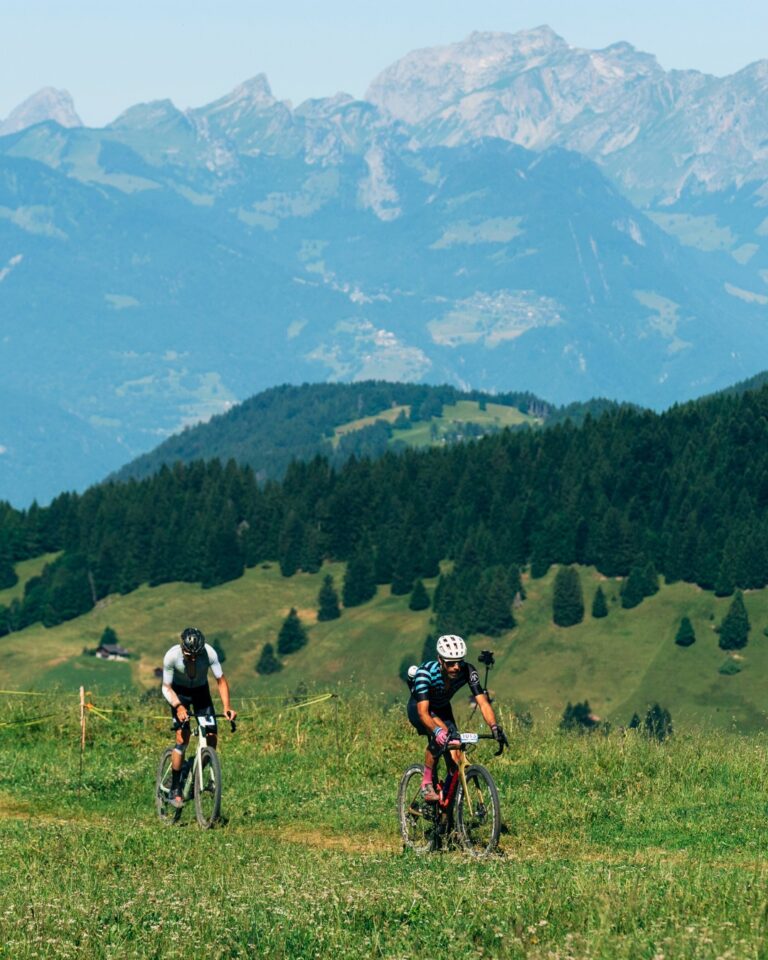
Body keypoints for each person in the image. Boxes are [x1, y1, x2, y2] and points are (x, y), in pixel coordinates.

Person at [407, 634, 506, 802]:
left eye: (459, 662)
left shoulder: (468, 670)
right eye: (450, 663)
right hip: (420, 708)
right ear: (440, 660)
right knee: (442, 737)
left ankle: (446, 806)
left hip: (442, 708)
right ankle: (426, 784)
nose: (456, 667)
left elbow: (482, 702)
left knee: (456, 757)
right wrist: (437, 731)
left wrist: (494, 727)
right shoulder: (425, 674)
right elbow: (424, 712)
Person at [161, 626, 236, 808]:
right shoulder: (172, 656)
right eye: (189, 655)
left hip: (201, 693)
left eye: (196, 655)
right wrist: (178, 706)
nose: (193, 658)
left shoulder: (209, 653)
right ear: (182, 648)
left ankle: (198, 773)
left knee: (211, 736)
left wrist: (227, 707)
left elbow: (221, 681)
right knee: (183, 738)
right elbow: (166, 687)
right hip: (180, 694)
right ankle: (176, 788)